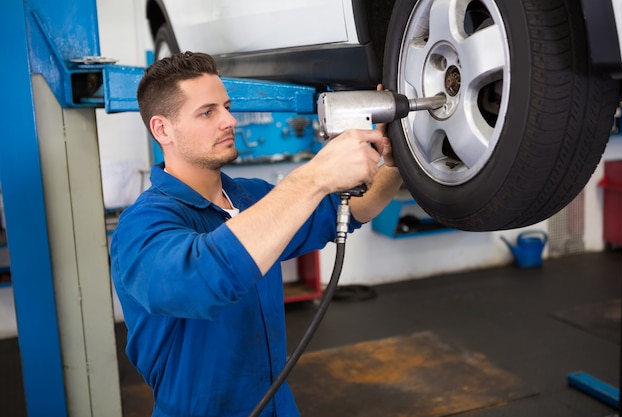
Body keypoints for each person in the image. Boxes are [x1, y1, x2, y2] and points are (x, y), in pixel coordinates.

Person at [110, 51, 403, 417]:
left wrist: (397, 158)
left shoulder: (252, 196)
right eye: (207, 112)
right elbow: (203, 278)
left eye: (226, 107)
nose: (230, 120)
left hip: (276, 405)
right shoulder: (142, 225)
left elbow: (349, 209)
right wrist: (312, 177)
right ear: (162, 129)